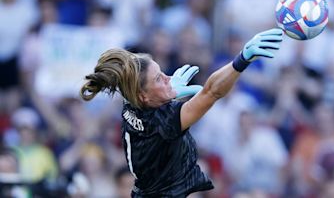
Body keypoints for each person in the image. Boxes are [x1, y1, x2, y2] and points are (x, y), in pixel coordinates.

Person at [79, 28, 283, 197]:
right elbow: (212, 92)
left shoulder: (131, 103)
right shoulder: (163, 121)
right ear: (144, 96)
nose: (168, 78)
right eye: (159, 79)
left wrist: (168, 93)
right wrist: (241, 60)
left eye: (162, 73)